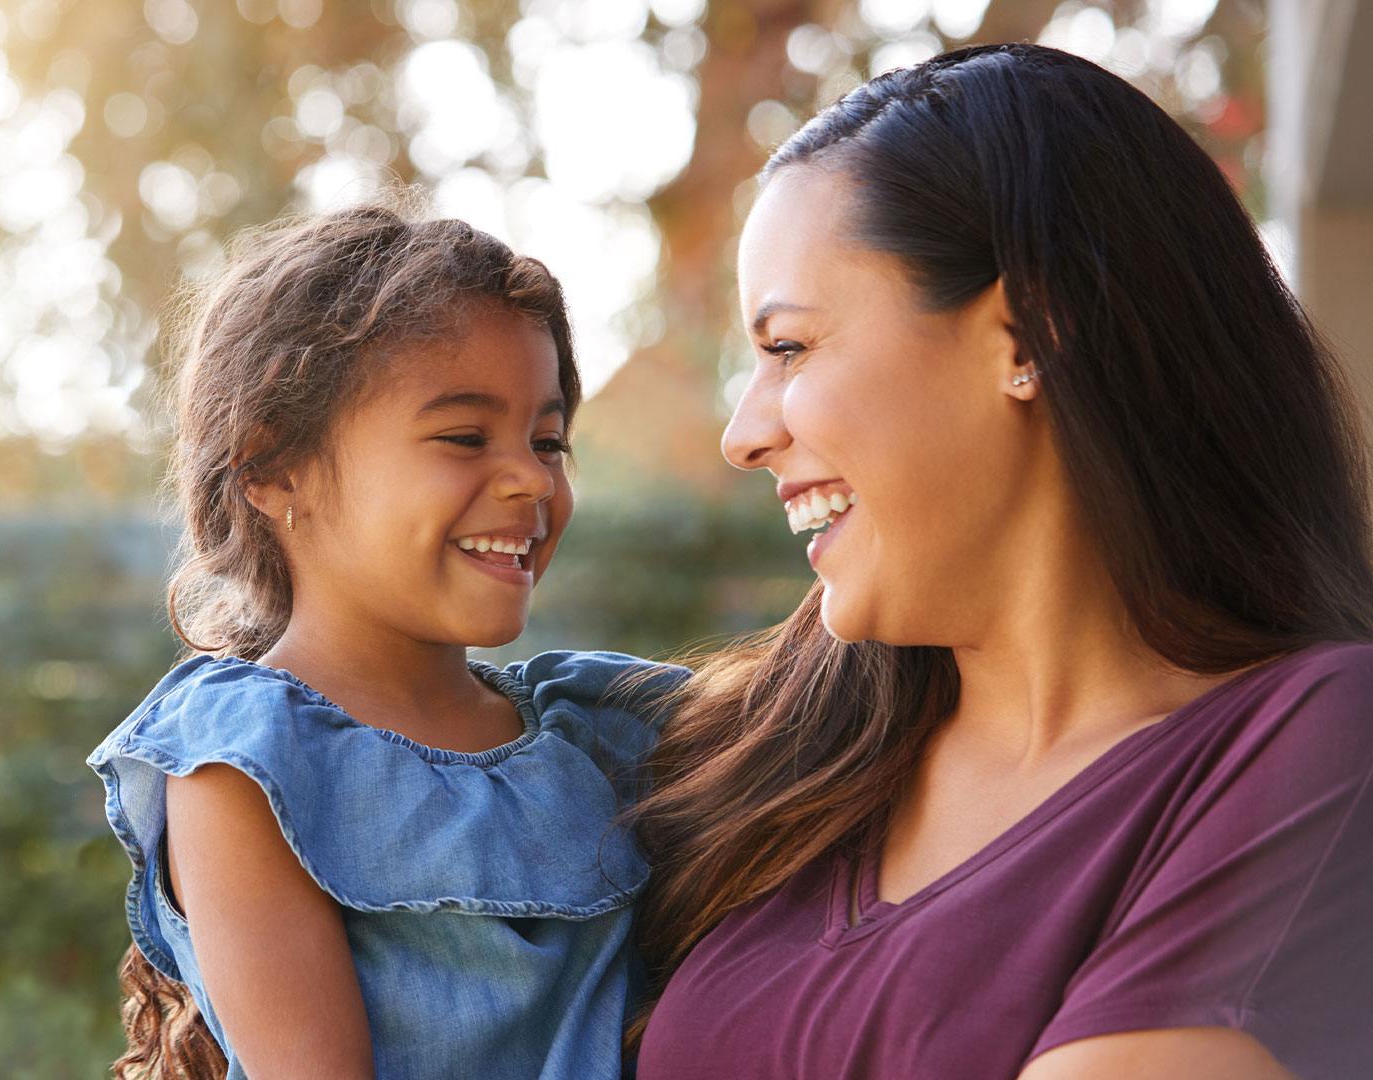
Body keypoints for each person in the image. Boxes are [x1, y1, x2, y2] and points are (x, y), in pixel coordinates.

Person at [629, 44, 1373, 1080]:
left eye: (789, 348)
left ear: (1030, 332)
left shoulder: (1317, 744)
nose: (743, 434)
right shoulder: (764, 752)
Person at [87, 203, 687, 1080]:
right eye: (463, 437)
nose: (531, 477)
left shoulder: (608, 727)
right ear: (271, 467)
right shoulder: (246, 765)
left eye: (549, 439)